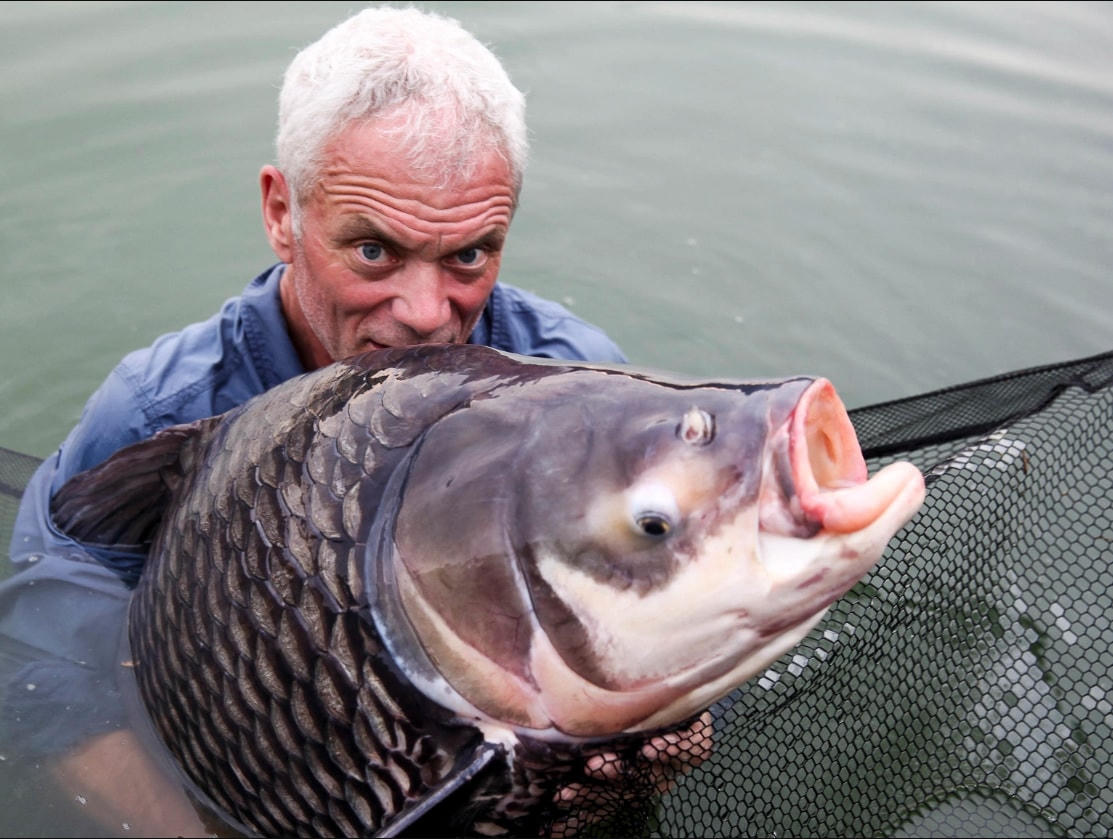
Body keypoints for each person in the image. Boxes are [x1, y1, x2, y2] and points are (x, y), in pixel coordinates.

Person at [0, 6, 706, 835]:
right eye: (373, 250)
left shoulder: (579, 390)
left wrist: (671, 731)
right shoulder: (162, 408)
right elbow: (38, 660)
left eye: (468, 255)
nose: (425, 313)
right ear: (281, 213)